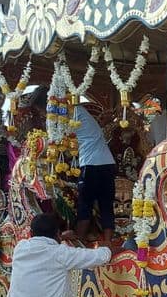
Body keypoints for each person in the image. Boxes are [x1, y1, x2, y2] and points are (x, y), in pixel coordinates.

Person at [32, 87, 116, 242]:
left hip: (92, 164)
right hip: (107, 163)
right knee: (106, 205)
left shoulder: (65, 113)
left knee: (85, 204)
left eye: (42, 111)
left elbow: (54, 141)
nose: (43, 115)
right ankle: (108, 242)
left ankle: (80, 241)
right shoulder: (76, 110)